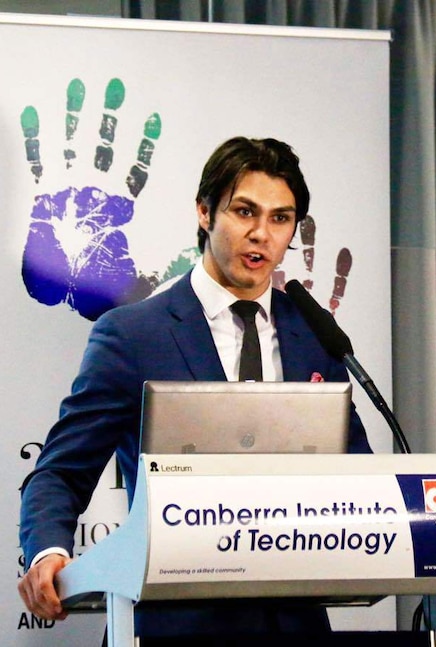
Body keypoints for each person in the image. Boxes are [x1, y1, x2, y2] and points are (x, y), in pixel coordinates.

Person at [17, 136, 372, 643]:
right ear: (205, 212)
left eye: (280, 219)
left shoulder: (316, 337)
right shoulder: (133, 334)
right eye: (244, 211)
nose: (261, 235)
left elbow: (358, 472)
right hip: (169, 626)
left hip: (294, 626)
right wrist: (49, 550)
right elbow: (60, 472)